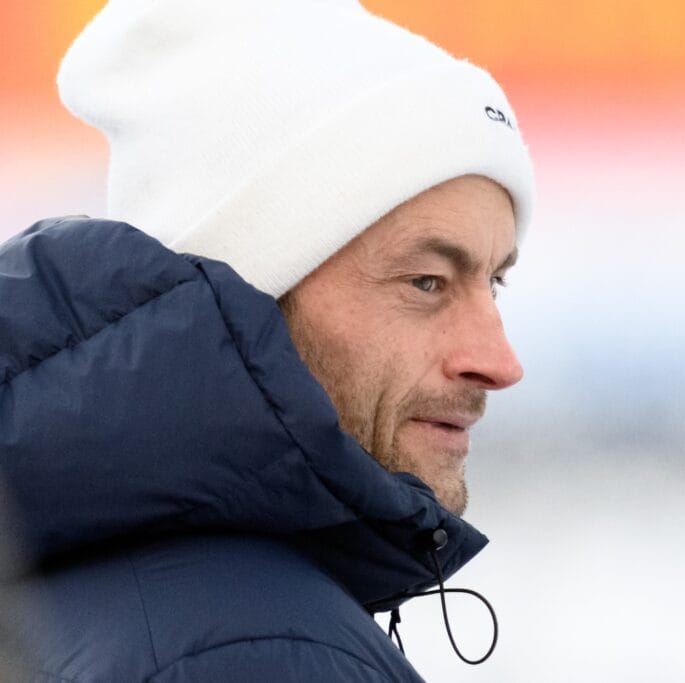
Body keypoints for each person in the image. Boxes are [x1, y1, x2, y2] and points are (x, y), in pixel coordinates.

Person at [0, 1, 534, 681]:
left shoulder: (86, 587)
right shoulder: (259, 650)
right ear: (253, 289)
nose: (499, 361)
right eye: (427, 282)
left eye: (496, 282)